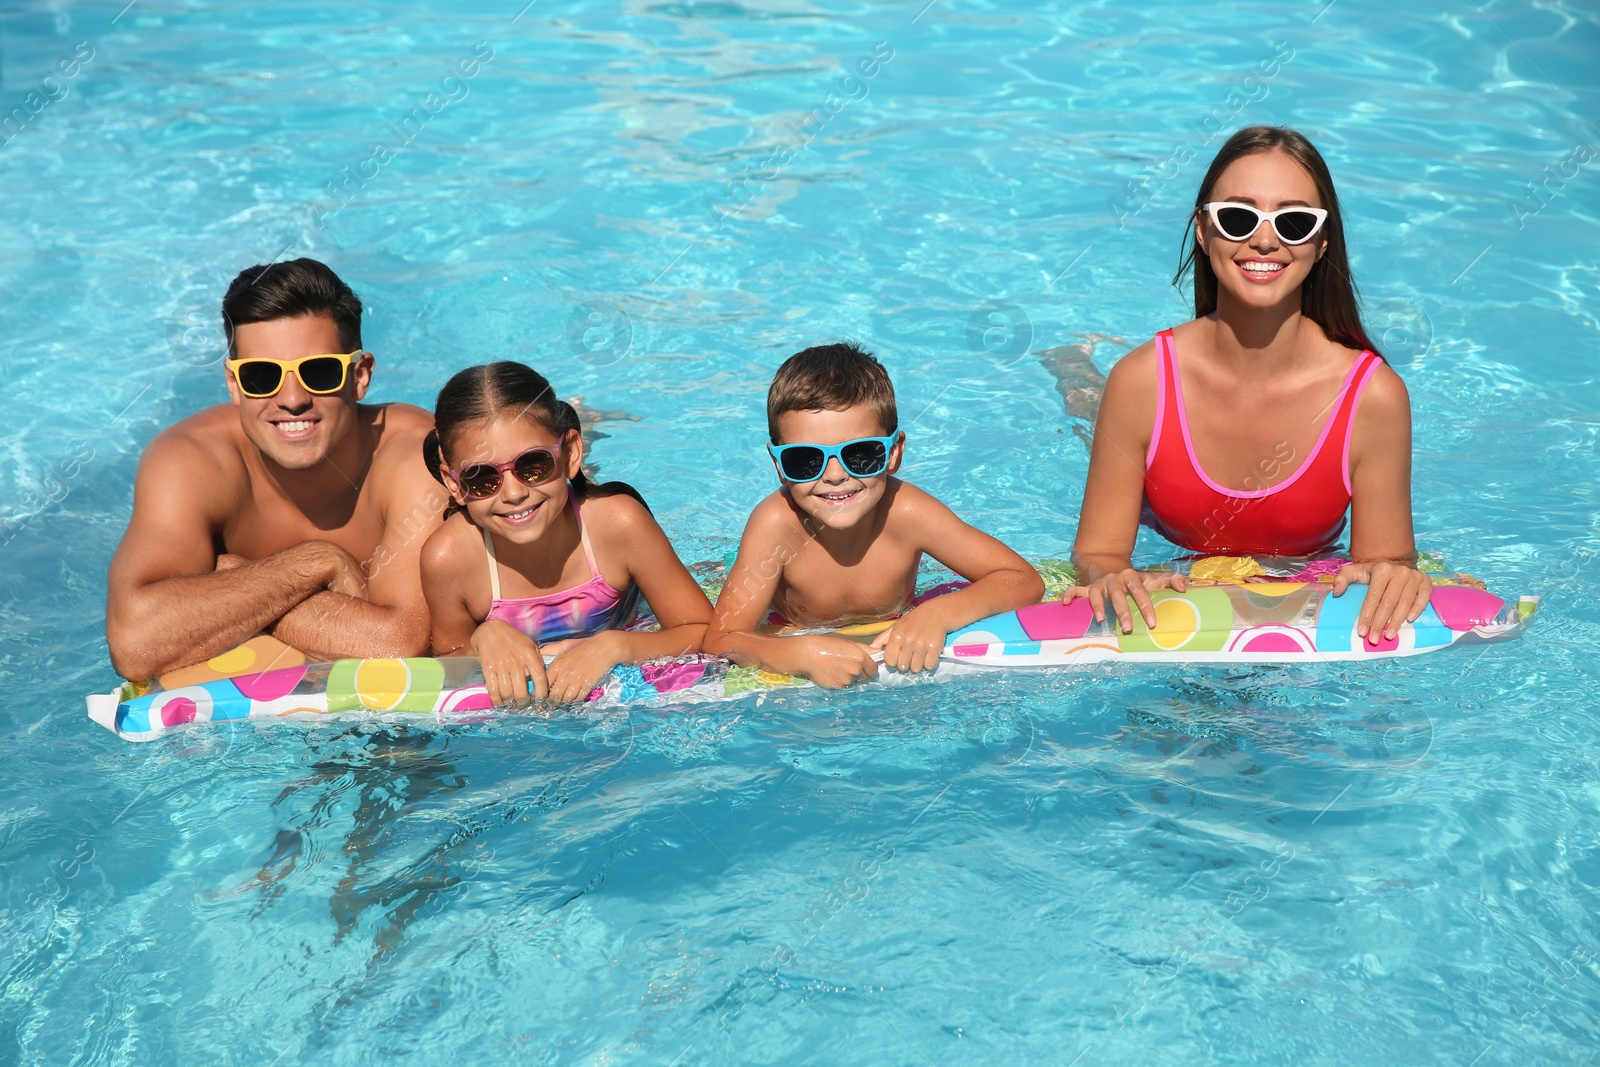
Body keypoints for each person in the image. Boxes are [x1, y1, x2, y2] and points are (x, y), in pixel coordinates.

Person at [1070, 126, 1431, 646]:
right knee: (1086, 406)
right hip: (1167, 532)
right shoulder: (1142, 380)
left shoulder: (1371, 397)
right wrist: (1110, 575)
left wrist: (1393, 573)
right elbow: (1097, 553)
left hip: (1298, 570)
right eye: (1238, 218)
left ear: (1322, 240)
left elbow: (1385, 561)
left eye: (1294, 221)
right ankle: (1072, 365)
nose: (1265, 240)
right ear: (1202, 229)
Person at [106, 259, 443, 680]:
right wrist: (316, 562)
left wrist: (229, 575)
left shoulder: (418, 455)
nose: (292, 399)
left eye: (319, 371)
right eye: (262, 376)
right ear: (233, 384)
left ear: (359, 375)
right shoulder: (191, 461)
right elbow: (135, 644)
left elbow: (401, 645)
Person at [705, 343, 1044, 688]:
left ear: (894, 452)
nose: (835, 475)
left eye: (860, 454)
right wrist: (797, 652)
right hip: (789, 624)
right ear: (779, 464)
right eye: (805, 460)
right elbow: (721, 639)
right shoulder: (776, 525)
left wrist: (938, 614)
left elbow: (1022, 579)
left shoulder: (909, 512)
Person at [418, 362, 711, 705]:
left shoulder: (619, 524)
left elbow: (708, 634)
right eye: (482, 478)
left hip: (627, 618)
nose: (513, 493)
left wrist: (617, 645)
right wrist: (484, 636)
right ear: (453, 483)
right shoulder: (448, 559)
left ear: (570, 453)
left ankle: (583, 429)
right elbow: (448, 664)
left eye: (533, 465)